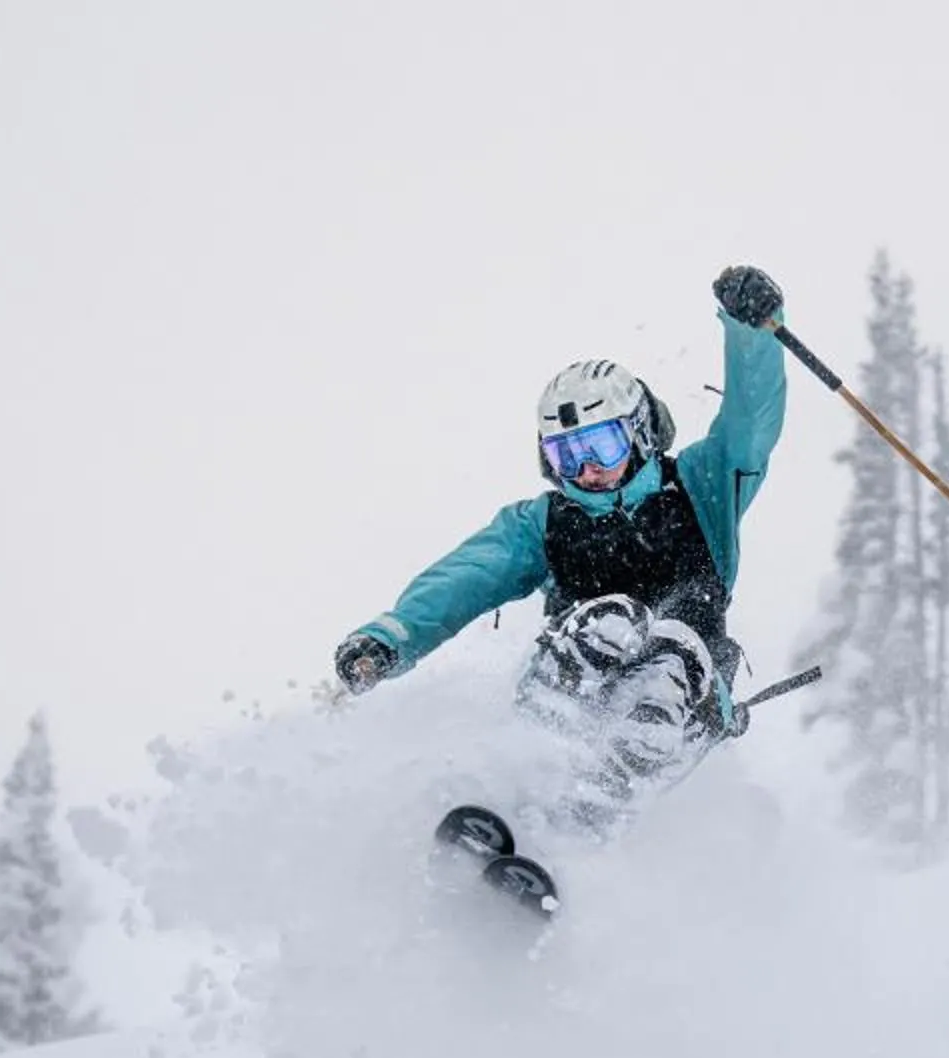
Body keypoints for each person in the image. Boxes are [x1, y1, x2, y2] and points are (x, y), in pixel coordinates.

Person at [331, 265, 790, 738]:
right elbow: (466, 577)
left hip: (690, 699)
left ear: (639, 433)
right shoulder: (545, 523)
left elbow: (750, 425)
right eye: (566, 454)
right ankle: (538, 758)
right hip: (576, 688)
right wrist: (391, 637)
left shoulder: (701, 486)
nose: (586, 468)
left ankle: (632, 758)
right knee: (611, 620)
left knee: (670, 642)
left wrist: (753, 330)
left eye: (603, 446)